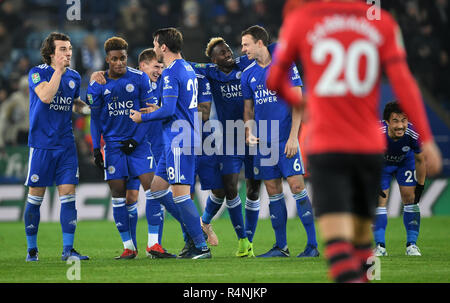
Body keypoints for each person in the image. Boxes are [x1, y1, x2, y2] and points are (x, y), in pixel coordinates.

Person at [267, 0, 442, 282]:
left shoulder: (302, 20)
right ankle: (371, 277)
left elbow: (274, 80)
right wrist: (429, 139)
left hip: (327, 145)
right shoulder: (382, 23)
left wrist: (306, 103)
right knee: (364, 244)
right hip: (368, 147)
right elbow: (404, 82)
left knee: (338, 245)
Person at [130, 27, 211, 259]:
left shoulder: (171, 71)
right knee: (156, 189)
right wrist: (160, 110)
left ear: (163, 46)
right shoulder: (186, 67)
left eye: (155, 44)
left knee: (181, 195)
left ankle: (200, 245)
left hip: (179, 137)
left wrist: (142, 117)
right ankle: (193, 230)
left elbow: (168, 109)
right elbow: (176, 106)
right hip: (178, 135)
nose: (154, 47)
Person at [88, 36, 172, 259]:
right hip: (113, 148)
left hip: (139, 145)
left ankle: (154, 245)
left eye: (123, 58)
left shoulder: (139, 79)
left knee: (153, 190)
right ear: (107, 59)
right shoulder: (98, 83)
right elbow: (95, 119)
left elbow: (148, 112)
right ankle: (128, 247)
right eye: (115, 59)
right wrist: (97, 148)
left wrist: (136, 139)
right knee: (119, 195)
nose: (119, 63)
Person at [241, 25, 319, 258]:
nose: (243, 49)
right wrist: (248, 130)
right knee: (273, 192)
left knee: (297, 187)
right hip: (263, 144)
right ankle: (281, 246)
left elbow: (298, 102)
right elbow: (248, 109)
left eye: (246, 44)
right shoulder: (248, 74)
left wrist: (294, 137)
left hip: (286, 140)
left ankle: (312, 246)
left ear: (260, 43)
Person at [192, 37, 264, 257]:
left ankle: (248, 242)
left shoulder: (244, 64)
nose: (228, 54)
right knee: (230, 188)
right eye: (222, 53)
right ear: (214, 60)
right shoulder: (210, 72)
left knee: (253, 190)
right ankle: (242, 240)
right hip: (230, 138)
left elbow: (265, 54)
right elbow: (184, 64)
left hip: (253, 135)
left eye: (228, 50)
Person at [24, 32, 89, 262]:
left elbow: (73, 103)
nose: (68, 52)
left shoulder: (74, 77)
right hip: (42, 145)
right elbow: (45, 97)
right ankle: (32, 249)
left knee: (69, 197)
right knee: (35, 199)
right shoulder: (37, 73)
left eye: (70, 48)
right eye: (63, 49)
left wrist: (90, 108)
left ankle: (68, 250)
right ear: (51, 53)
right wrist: (58, 72)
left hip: (66, 145)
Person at [373, 101, 426, 257]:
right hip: (381, 165)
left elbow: (421, 160)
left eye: (404, 120)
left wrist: (421, 186)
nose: (401, 125)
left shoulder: (413, 133)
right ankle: (380, 247)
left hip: (405, 162)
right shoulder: (376, 132)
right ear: (387, 121)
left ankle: (412, 245)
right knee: (379, 201)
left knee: (410, 199)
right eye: (395, 121)